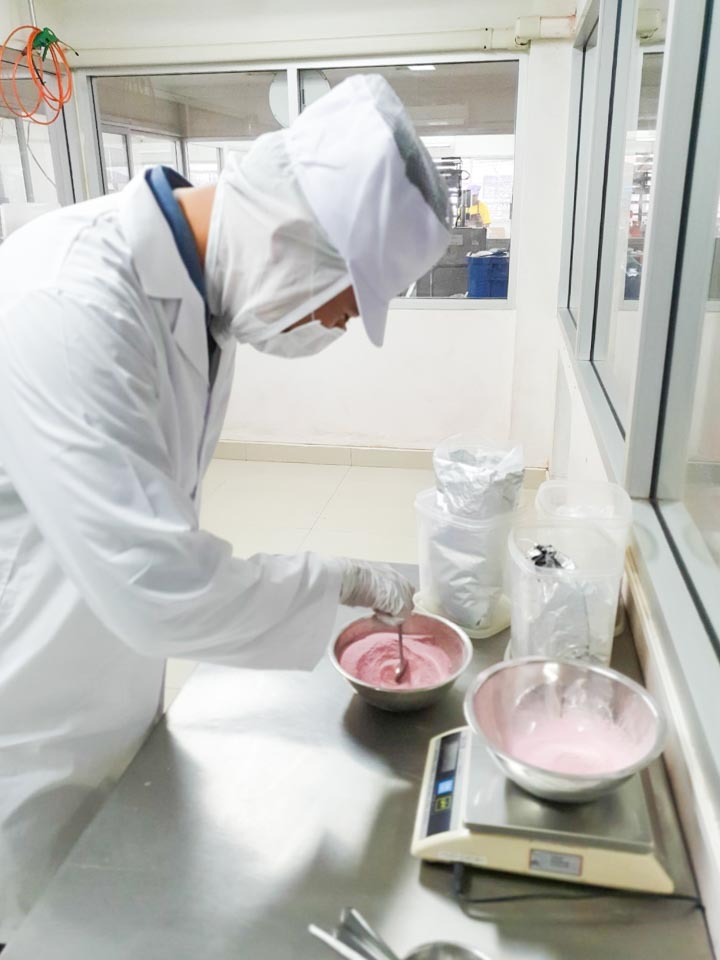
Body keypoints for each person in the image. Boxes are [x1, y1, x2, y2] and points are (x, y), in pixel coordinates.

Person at [0, 74, 450, 939]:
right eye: (348, 298)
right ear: (289, 236)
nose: (340, 323)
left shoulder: (199, 307)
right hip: (25, 726)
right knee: (40, 926)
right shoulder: (68, 302)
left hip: (109, 693)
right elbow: (159, 589)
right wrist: (335, 581)